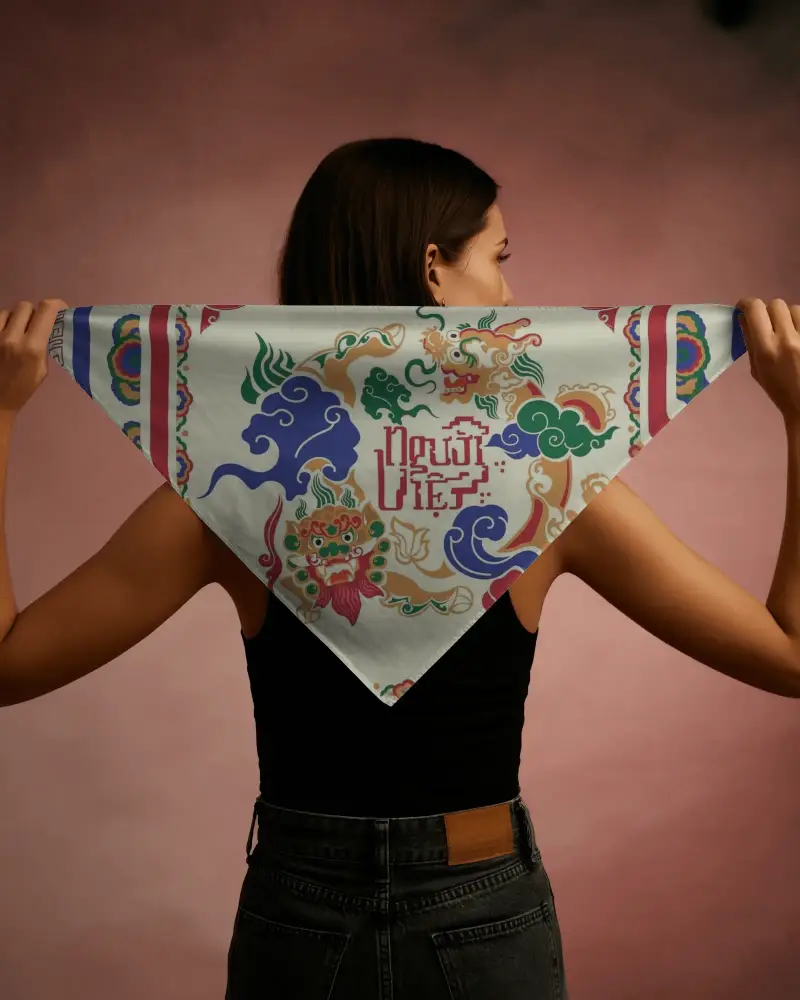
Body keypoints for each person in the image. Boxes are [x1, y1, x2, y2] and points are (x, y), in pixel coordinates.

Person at [0, 138, 798, 1000]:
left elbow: (8, 662)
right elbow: (792, 655)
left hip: (297, 913)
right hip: (482, 905)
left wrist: (0, 415)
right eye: (498, 259)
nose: (510, 294)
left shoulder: (224, 488)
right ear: (433, 269)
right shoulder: (556, 486)